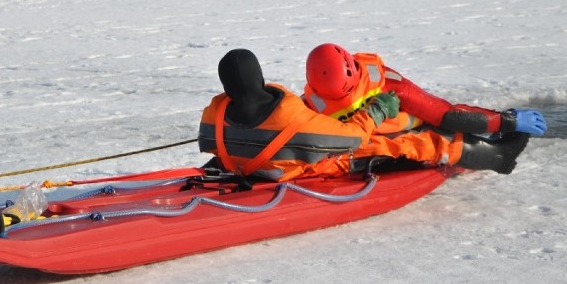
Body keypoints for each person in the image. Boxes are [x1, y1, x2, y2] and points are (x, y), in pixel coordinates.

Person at [302, 43, 548, 174]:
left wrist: (503, 121)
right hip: (366, 146)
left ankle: (497, 156)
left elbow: (445, 114)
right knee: (414, 142)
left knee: (434, 134)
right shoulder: (312, 103)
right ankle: (494, 155)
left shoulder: (389, 86)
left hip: (400, 131)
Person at [198, 48, 402, 181]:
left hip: (239, 168)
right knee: (383, 144)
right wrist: (377, 111)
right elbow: (354, 138)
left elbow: (206, 142)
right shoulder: (294, 120)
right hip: (291, 172)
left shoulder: (212, 117)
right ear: (259, 77)